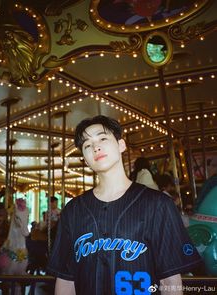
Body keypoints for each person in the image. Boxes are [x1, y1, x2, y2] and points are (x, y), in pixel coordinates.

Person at [47, 115, 202, 295]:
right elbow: (66, 280)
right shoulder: (72, 211)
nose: (95, 147)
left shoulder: (158, 205)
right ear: (85, 158)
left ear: (121, 145)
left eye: (102, 138)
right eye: (87, 145)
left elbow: (169, 281)